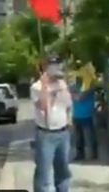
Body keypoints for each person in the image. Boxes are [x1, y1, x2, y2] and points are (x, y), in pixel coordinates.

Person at [31, 59, 72, 192]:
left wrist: (69, 120)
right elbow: (42, 106)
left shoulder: (62, 84)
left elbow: (68, 104)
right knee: (43, 172)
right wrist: (45, 85)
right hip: (46, 134)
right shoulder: (36, 87)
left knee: (63, 170)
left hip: (63, 132)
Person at [71, 76, 98, 161]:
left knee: (88, 137)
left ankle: (92, 154)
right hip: (76, 115)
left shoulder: (90, 87)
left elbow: (80, 98)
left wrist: (74, 94)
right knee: (78, 138)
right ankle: (80, 154)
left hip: (86, 116)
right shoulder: (75, 86)